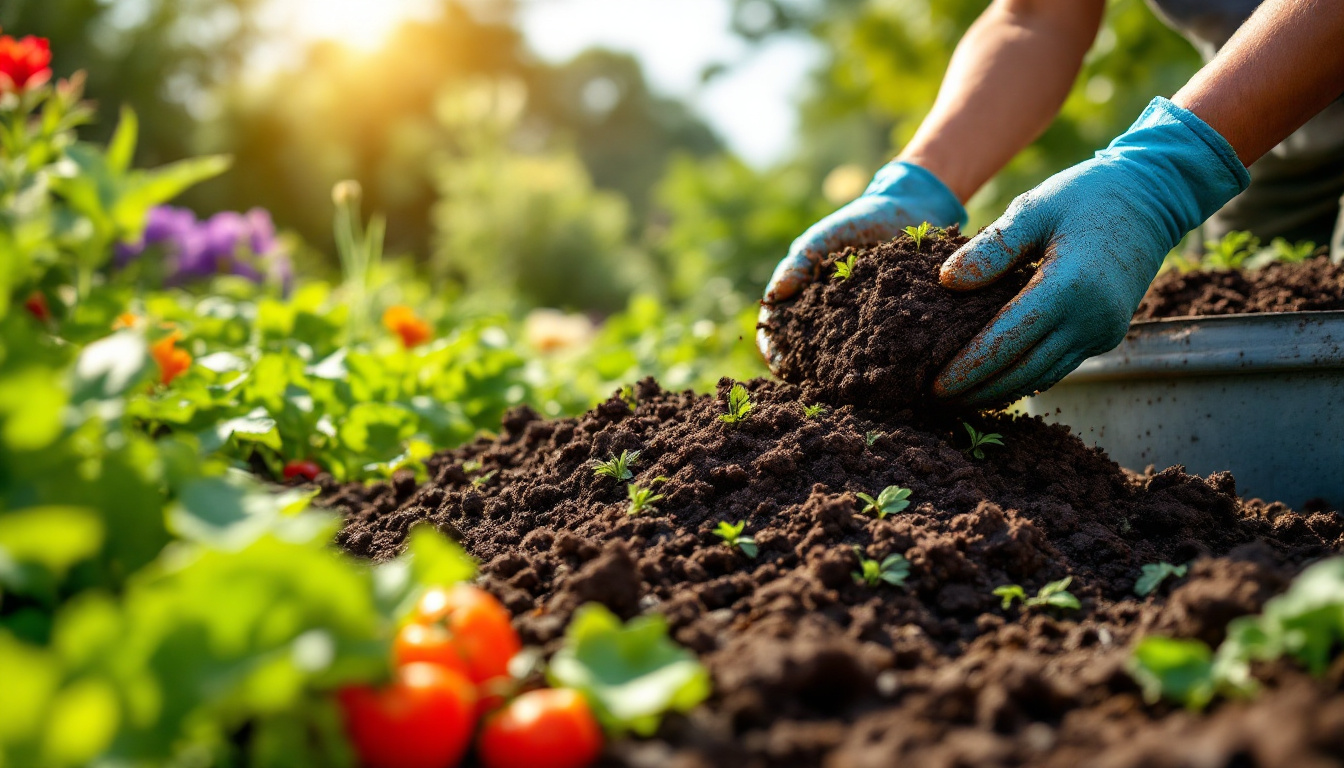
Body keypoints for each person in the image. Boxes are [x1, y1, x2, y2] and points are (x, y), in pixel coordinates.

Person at [758, 0, 1344, 407]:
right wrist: (922, 180)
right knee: (1243, 336)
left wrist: (1163, 172)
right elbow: (1036, 16)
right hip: (1260, 107)